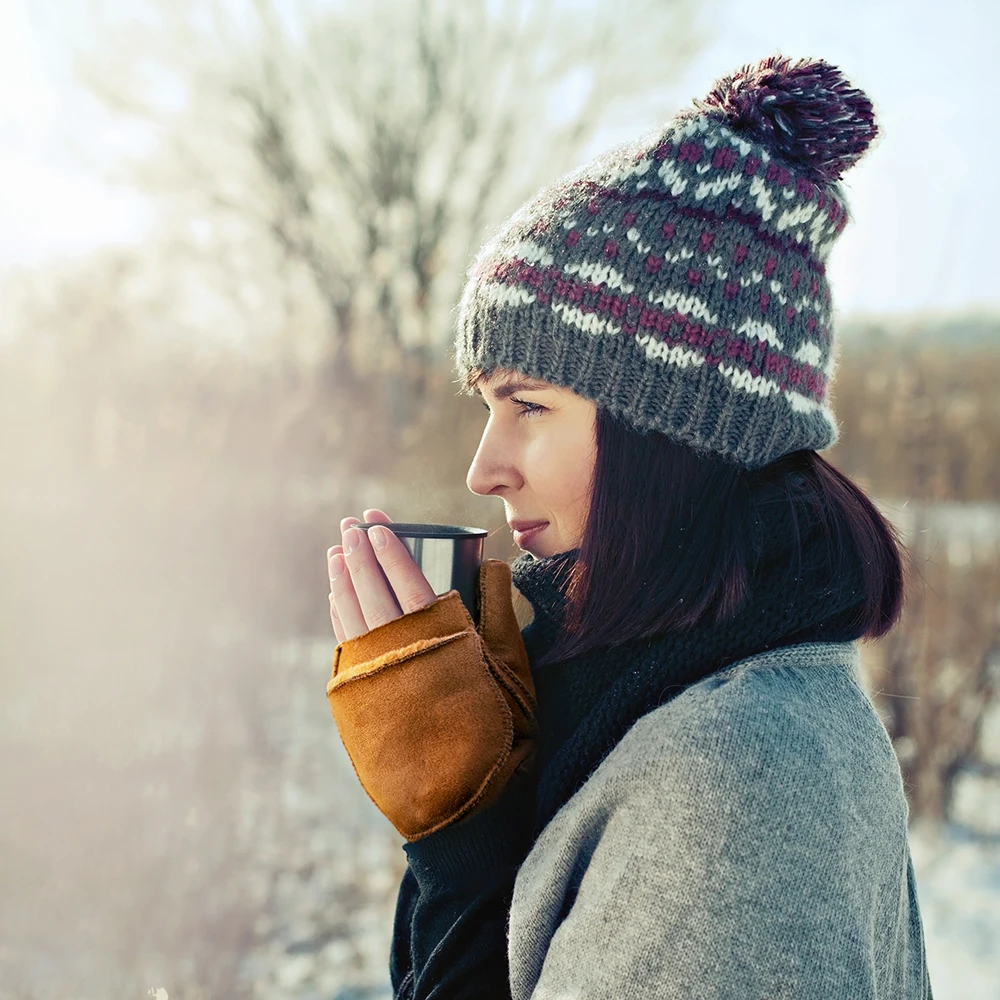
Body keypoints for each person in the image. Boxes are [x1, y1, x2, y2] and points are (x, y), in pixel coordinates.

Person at [325, 55, 934, 999]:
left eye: (529, 404)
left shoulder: (731, 784)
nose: (484, 468)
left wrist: (463, 843)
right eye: (488, 405)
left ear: (673, 431)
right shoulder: (695, 705)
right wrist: (473, 816)